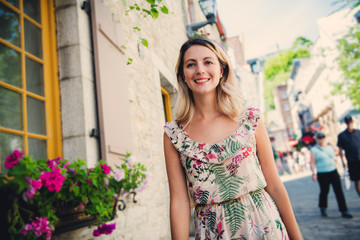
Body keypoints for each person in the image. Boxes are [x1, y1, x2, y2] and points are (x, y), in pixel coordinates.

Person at [163, 37, 302, 240]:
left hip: (265, 228)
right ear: (183, 75)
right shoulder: (174, 135)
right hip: (213, 233)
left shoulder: (250, 120)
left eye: (208, 62)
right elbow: (179, 202)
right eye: (191, 64)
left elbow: (274, 185)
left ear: (222, 70)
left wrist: (296, 237)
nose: (200, 70)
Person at [310, 132, 353, 218]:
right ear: (317, 139)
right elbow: (313, 163)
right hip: (322, 173)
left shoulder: (330, 148)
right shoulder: (314, 150)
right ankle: (323, 207)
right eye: (319, 137)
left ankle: (344, 210)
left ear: (325, 138)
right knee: (324, 191)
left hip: (333, 171)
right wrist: (314, 173)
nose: (321, 139)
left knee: (339, 191)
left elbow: (334, 157)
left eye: (323, 137)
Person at [337, 115, 360, 197]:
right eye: (348, 122)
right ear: (345, 123)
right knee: (357, 180)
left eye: (350, 122)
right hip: (352, 161)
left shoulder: (358, 132)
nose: (349, 123)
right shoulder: (342, 135)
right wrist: (342, 162)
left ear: (352, 122)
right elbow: (340, 150)